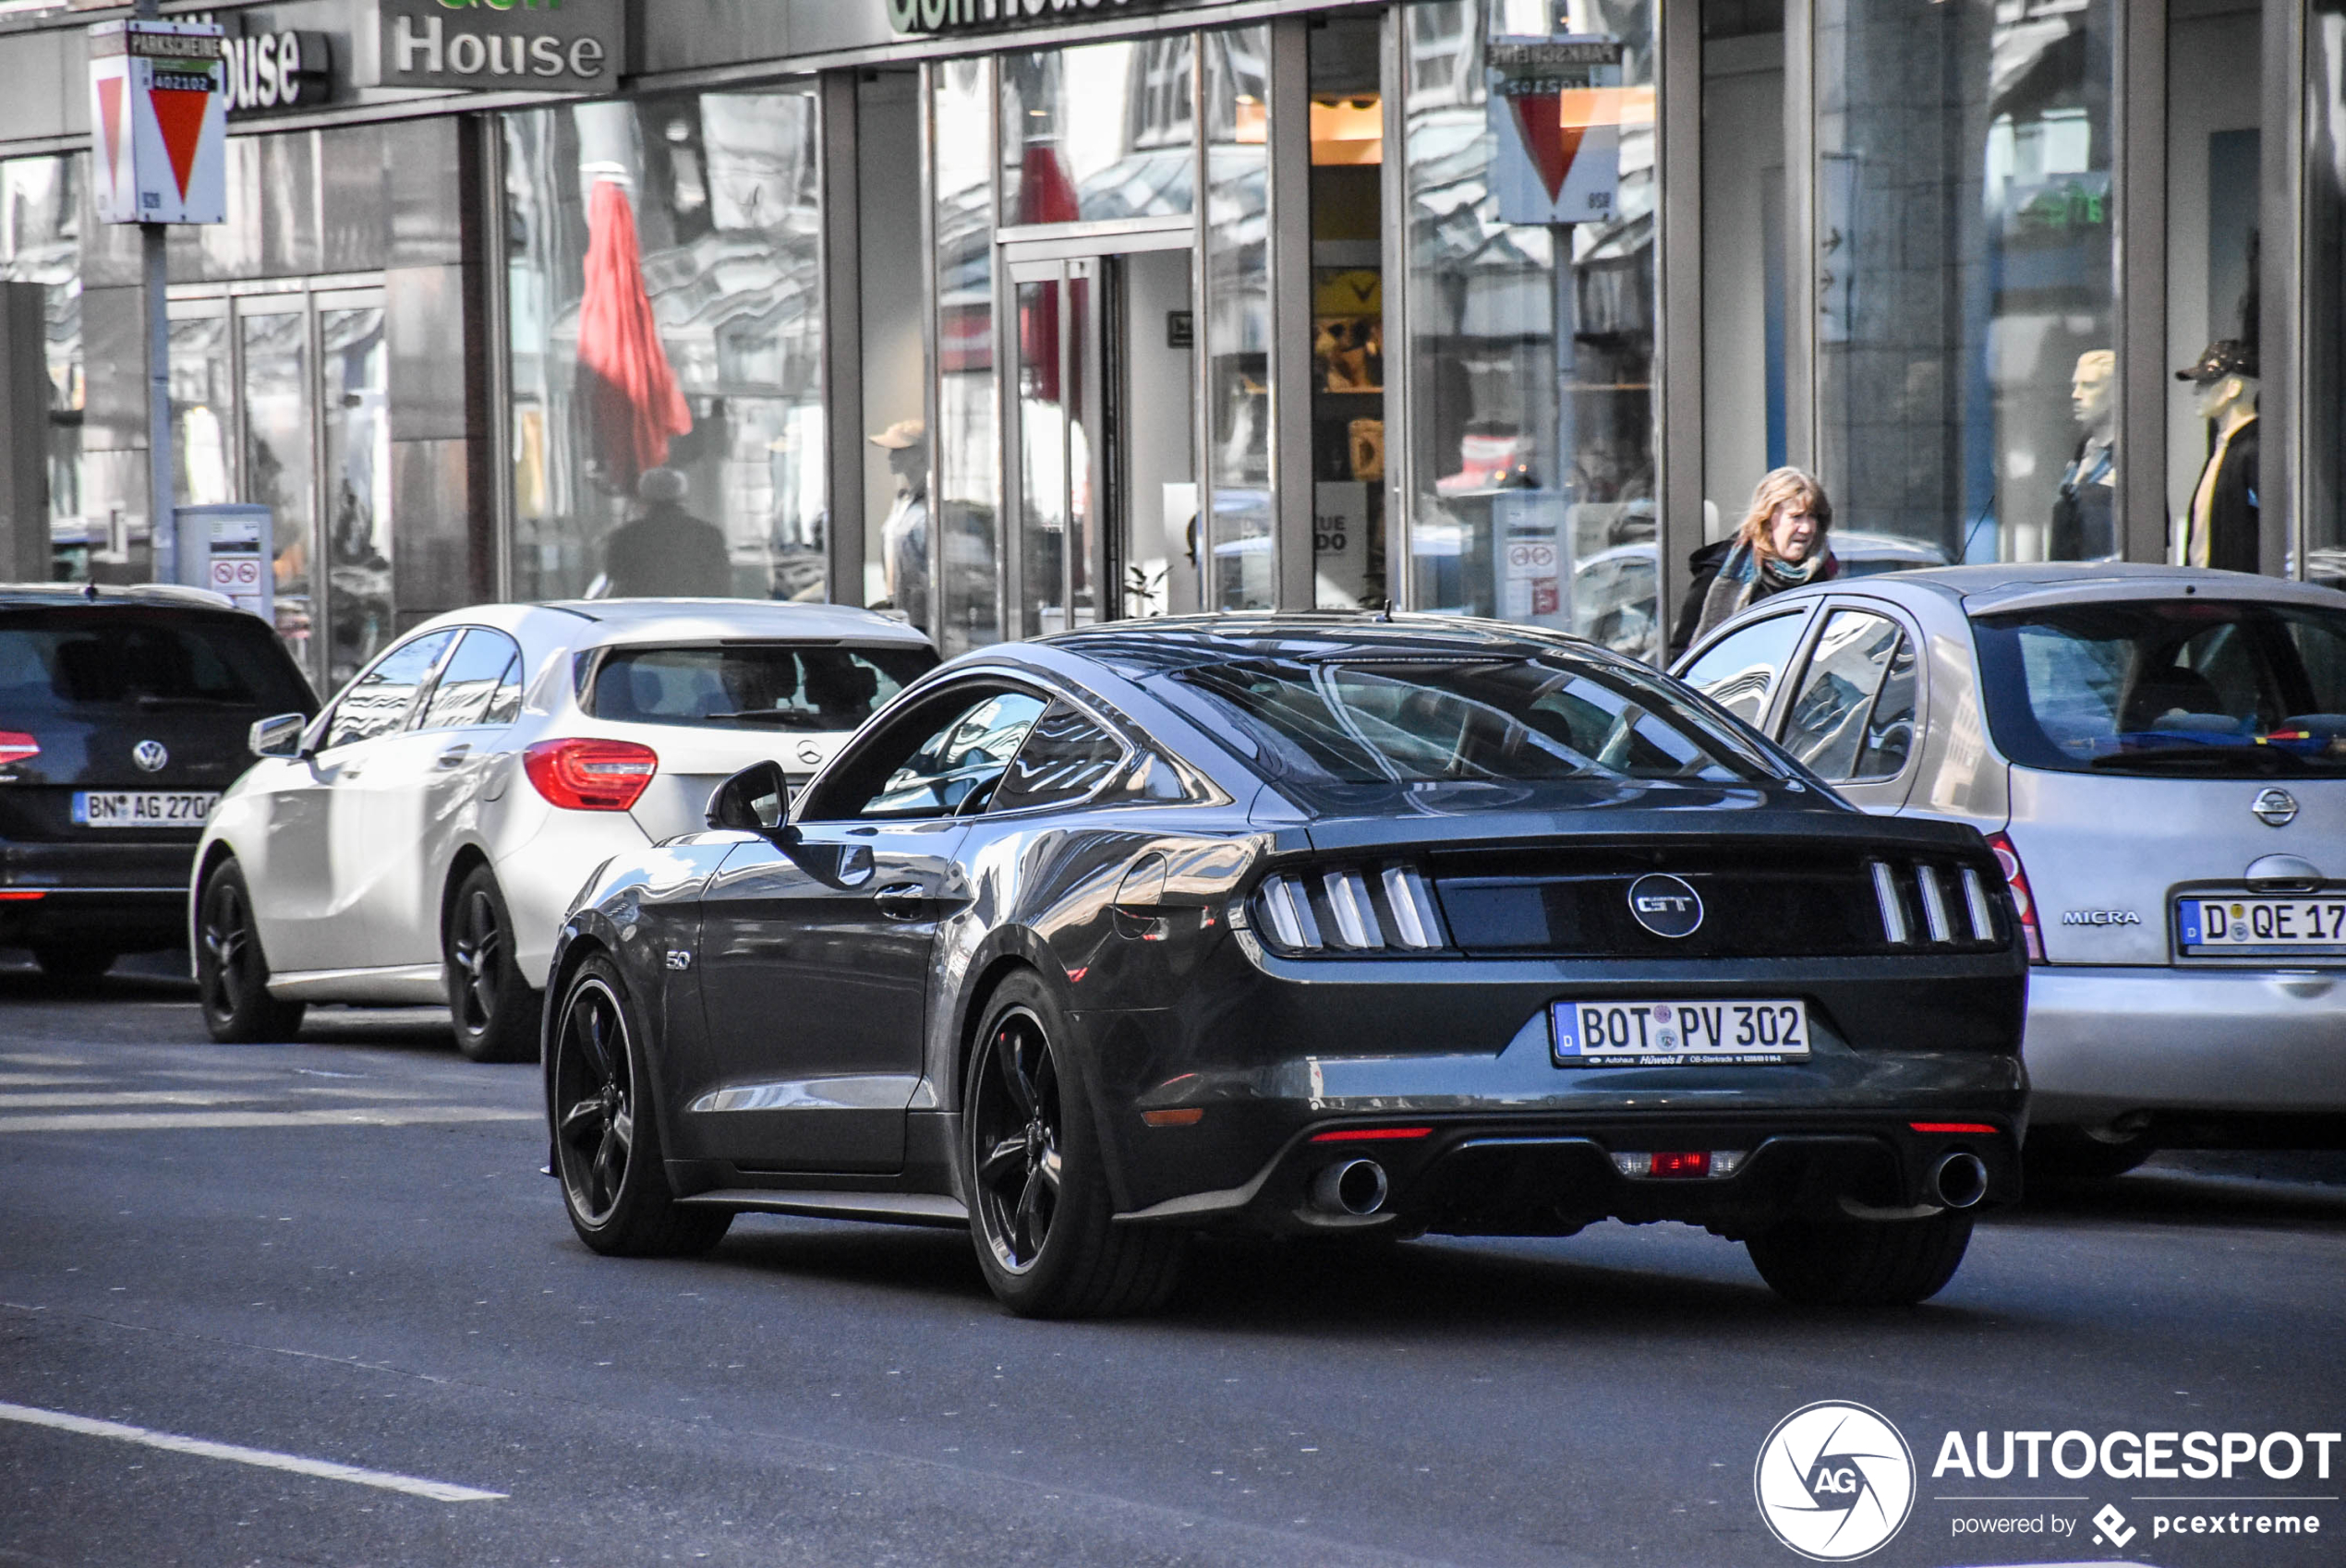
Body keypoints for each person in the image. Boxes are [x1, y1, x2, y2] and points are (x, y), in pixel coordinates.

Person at [1669, 466, 1840, 658]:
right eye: (1796, 517)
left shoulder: (1824, 575)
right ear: (1766, 521)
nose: (1807, 528)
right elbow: (1681, 655)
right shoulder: (1721, 572)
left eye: (1813, 517)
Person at [2176, 340, 2260, 573]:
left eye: (2206, 382)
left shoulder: (2251, 451)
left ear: (2233, 387)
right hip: (2216, 591)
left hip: (2234, 596)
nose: (2196, 390)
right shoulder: (2226, 450)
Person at [601, 467, 732, 598]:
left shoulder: (625, 537)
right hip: (697, 614)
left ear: (643, 498)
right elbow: (721, 586)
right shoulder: (709, 535)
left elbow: (615, 581)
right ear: (682, 497)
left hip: (643, 614)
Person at [2050, 349, 2116, 561]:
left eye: (2089, 385)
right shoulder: (2080, 458)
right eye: (2075, 385)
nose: (2076, 395)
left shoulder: (2131, 461)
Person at [870, 419, 931, 633]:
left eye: (898, 451)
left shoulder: (931, 506)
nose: (890, 457)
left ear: (920, 453)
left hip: (926, 617)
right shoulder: (902, 501)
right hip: (902, 611)